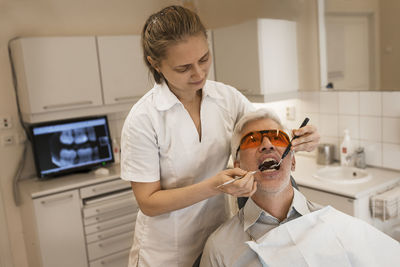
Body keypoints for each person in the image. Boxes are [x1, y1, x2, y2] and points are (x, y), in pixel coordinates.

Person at [120, 5, 320, 267]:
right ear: (155, 63)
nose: (199, 73)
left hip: (216, 238)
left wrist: (302, 135)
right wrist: (214, 186)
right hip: (166, 250)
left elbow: (262, 131)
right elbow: (148, 202)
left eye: (204, 59)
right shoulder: (144, 119)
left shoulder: (226, 98)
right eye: (183, 68)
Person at [200, 108, 400, 267]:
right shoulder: (220, 248)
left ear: (293, 162)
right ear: (238, 167)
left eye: (277, 137)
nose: (267, 144)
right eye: (252, 140)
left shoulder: (335, 225)